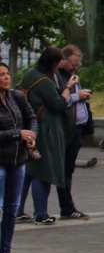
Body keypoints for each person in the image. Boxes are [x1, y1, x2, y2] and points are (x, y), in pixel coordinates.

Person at [18, 47, 70, 225]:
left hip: (30, 127)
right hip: (45, 130)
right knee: (43, 171)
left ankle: (17, 209)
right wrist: (67, 89)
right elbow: (57, 105)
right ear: (53, 63)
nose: (60, 65)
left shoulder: (29, 74)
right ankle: (41, 213)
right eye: (59, 61)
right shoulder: (46, 82)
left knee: (28, 171)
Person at [0, 63, 38, 253]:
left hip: (18, 161)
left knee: (12, 210)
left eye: (7, 73)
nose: (6, 77)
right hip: (1, 162)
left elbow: (31, 118)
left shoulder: (17, 97)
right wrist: (17, 134)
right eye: (1, 75)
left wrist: (31, 135)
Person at [54, 45, 92, 220]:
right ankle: (67, 207)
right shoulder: (57, 76)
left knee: (68, 169)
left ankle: (67, 207)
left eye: (78, 64)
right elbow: (58, 101)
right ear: (63, 59)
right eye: (73, 63)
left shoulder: (71, 76)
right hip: (65, 130)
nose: (76, 67)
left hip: (76, 130)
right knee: (62, 170)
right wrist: (78, 96)